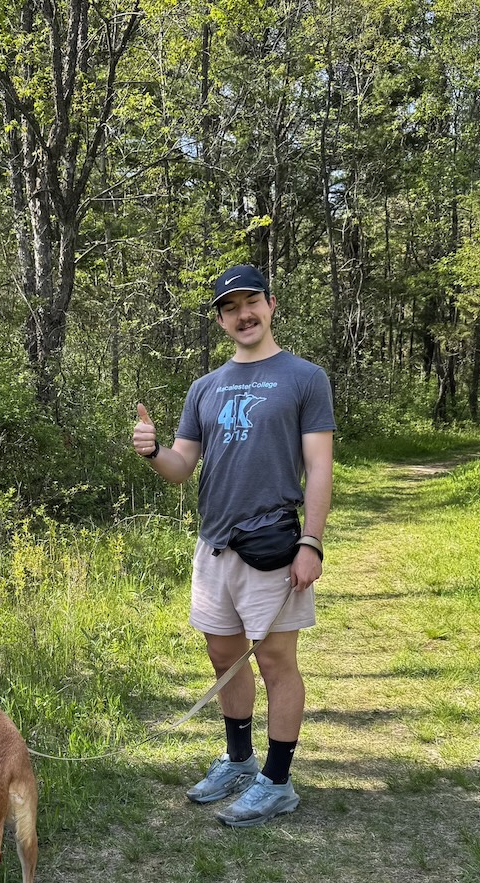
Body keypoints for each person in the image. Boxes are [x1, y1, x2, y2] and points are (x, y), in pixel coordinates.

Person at [133, 263, 335, 827]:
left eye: (251, 302)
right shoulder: (206, 387)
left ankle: (277, 780)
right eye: (229, 307)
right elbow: (181, 467)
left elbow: (319, 466)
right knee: (223, 656)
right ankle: (240, 760)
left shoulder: (304, 377)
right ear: (221, 320)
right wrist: (152, 452)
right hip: (213, 546)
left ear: (270, 305)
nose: (242, 314)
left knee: (275, 661)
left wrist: (311, 542)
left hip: (271, 544)